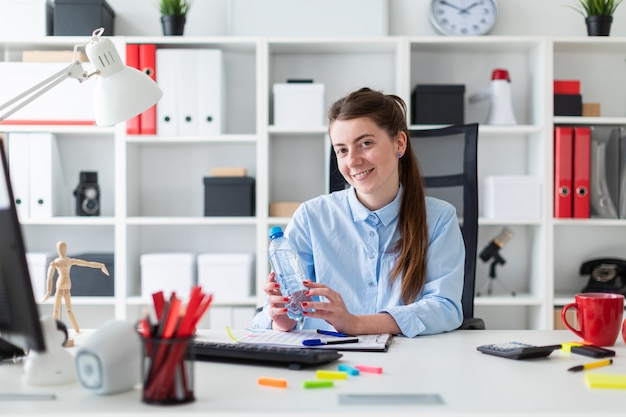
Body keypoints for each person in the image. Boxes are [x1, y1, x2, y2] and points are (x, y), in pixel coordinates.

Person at [252, 87, 464, 337]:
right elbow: (274, 319)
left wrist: (356, 324)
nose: (352, 161)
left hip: (406, 363)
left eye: (365, 144)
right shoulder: (311, 216)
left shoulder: (439, 218)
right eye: (342, 150)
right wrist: (282, 317)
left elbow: (446, 308)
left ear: (400, 143)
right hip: (325, 360)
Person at [43, 240, 110, 338]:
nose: (62, 250)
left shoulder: (69, 261)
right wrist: (48, 292)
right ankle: (55, 330)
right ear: (58, 250)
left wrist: (101, 265)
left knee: (68, 310)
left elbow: (87, 263)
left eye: (63, 248)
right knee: (57, 310)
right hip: (61, 286)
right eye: (61, 249)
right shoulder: (56, 262)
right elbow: (49, 277)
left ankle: (77, 330)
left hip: (66, 286)